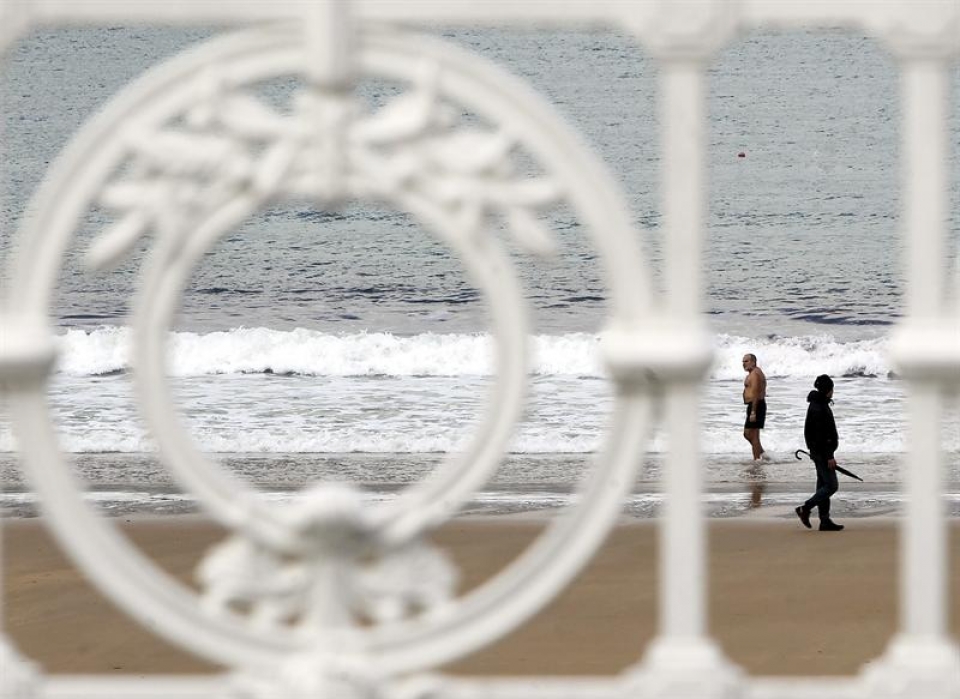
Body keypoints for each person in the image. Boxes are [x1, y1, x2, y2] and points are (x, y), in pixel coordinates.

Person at [795, 374, 844, 531]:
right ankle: (805, 508)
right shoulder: (819, 407)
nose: (833, 392)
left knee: (823, 485)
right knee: (831, 486)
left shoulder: (818, 403)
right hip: (822, 453)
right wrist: (829, 456)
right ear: (828, 390)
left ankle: (824, 521)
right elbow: (821, 435)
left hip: (818, 451)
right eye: (832, 388)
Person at [741, 353, 767, 462]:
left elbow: (756, 393)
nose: (743, 364)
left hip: (756, 405)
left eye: (746, 361)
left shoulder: (756, 373)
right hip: (754, 405)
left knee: (753, 435)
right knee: (748, 434)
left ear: (753, 361)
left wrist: (753, 412)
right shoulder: (752, 373)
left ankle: (757, 460)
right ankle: (762, 454)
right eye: (743, 362)